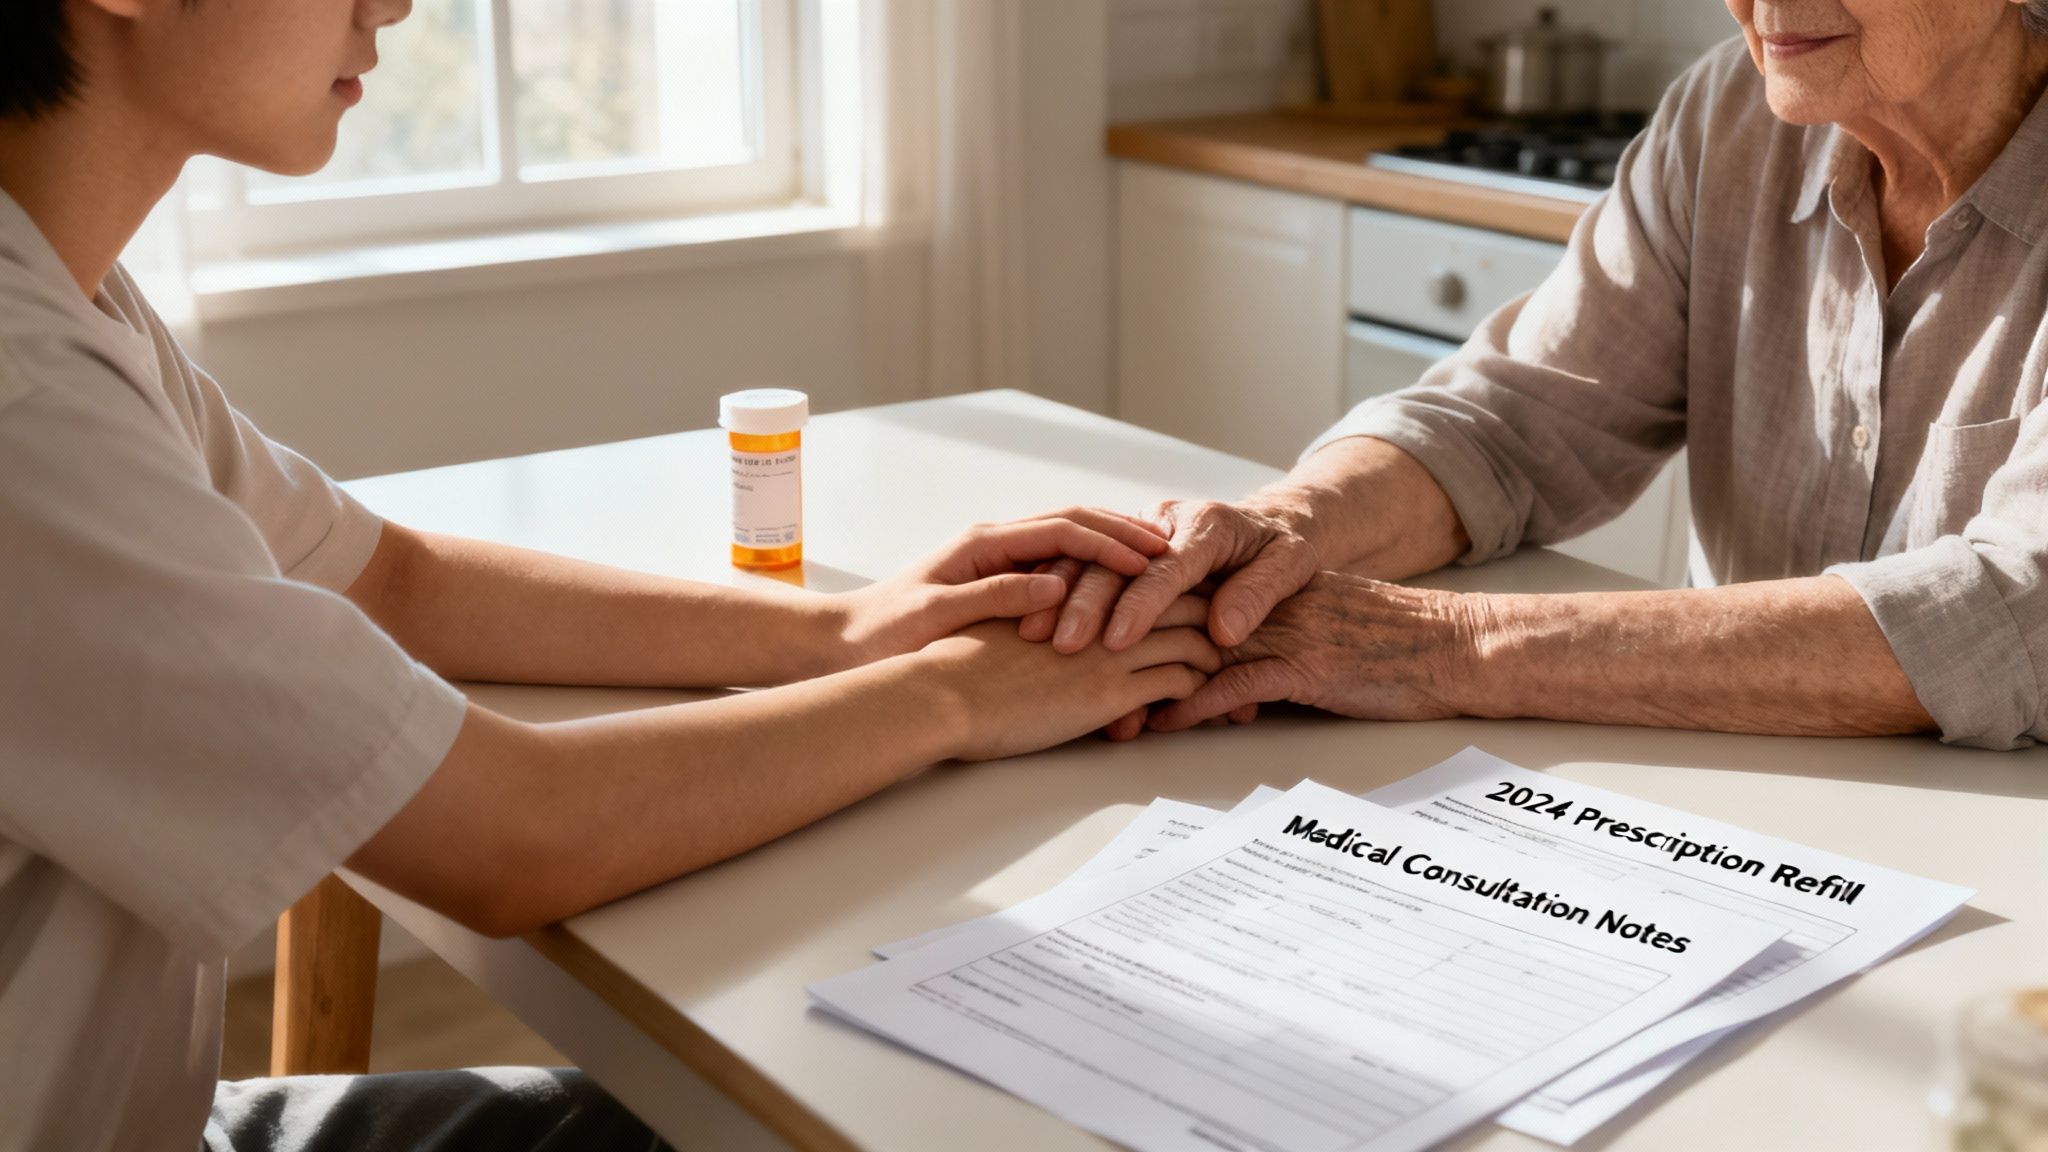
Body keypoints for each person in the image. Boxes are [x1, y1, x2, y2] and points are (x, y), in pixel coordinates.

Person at [0, 1, 1219, 1149]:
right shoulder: (24, 403)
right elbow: (508, 838)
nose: (395, 4)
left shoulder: (64, 286)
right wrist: (955, 698)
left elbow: (386, 579)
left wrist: (841, 632)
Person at [1037, 0, 2048, 752]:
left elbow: (2011, 615)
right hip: (1731, 801)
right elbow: (1510, 420)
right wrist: (1286, 531)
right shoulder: (1726, 118)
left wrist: (1447, 645)